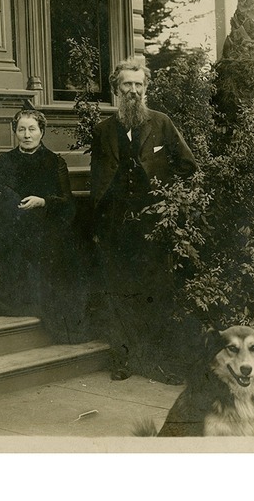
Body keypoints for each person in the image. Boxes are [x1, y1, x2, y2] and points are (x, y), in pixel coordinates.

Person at [90, 57, 198, 381]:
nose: (133, 90)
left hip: (153, 226)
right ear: (116, 89)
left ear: (146, 88)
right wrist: (99, 224)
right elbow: (96, 180)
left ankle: (157, 360)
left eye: (139, 85)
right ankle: (123, 360)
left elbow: (188, 166)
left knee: (156, 290)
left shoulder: (161, 123)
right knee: (120, 291)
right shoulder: (103, 131)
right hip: (117, 226)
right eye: (127, 85)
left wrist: (169, 201)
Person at [0, 108, 78, 339]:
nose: (27, 134)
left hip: (46, 224)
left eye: (32, 129)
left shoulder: (55, 161)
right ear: (15, 132)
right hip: (14, 227)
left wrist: (43, 201)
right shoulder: (5, 162)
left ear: (41, 132)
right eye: (21, 129)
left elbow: (67, 202)